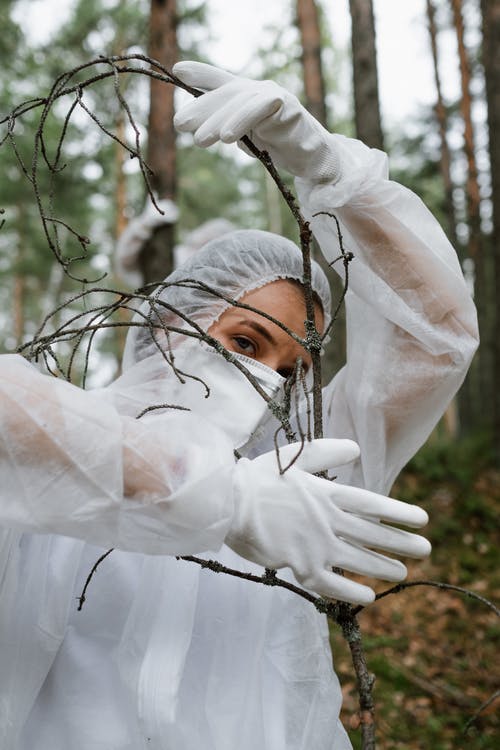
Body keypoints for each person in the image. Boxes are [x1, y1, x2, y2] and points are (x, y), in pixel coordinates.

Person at [0, 61, 478, 750]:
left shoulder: (309, 483)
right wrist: (218, 498)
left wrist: (330, 171)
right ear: (171, 326)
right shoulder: (66, 446)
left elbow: (435, 337)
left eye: (294, 370)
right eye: (246, 342)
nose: (268, 383)